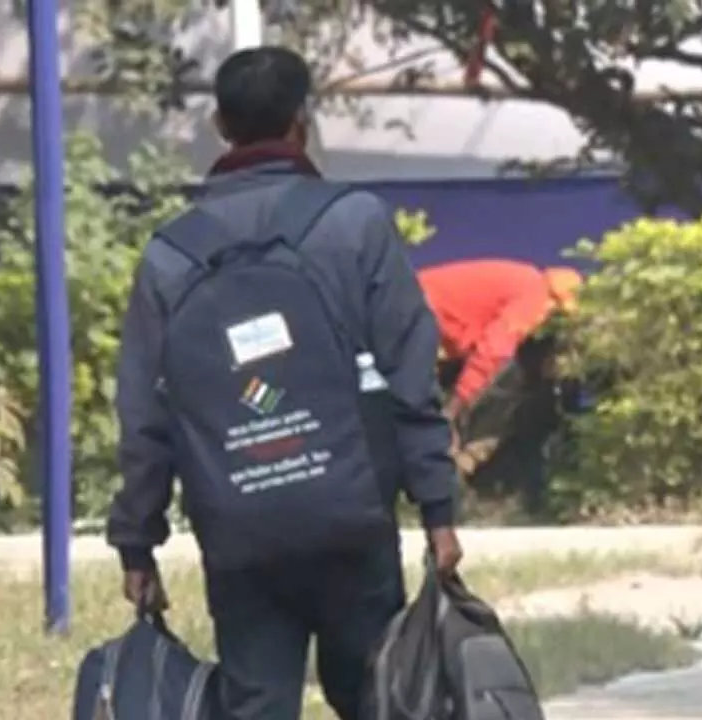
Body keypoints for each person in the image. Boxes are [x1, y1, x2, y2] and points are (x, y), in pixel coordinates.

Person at [106, 46, 462, 720]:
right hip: (351, 514)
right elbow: (410, 373)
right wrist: (437, 510)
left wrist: (138, 543)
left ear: (220, 125)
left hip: (238, 525)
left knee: (258, 703)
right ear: (303, 120)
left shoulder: (170, 255)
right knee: (376, 697)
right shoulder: (354, 222)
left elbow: (145, 415)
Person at [419, 259, 581, 507]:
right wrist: (453, 409)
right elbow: (494, 351)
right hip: (408, 322)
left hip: (424, 324)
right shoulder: (534, 297)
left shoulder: (523, 281)